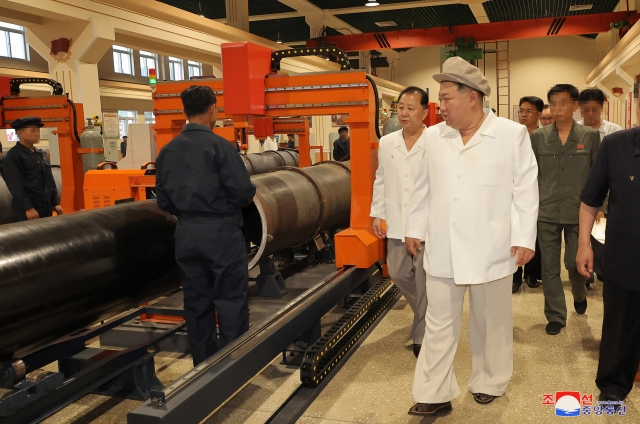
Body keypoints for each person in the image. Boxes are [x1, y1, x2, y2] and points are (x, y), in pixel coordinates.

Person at [405, 57, 538, 417]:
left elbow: (525, 189)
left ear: (472, 98)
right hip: (443, 248)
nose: (440, 106)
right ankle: (434, 391)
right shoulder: (434, 136)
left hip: (492, 246)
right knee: (438, 323)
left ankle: (489, 381)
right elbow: (423, 188)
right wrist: (414, 229)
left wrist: (525, 236)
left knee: (490, 321)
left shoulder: (510, 134)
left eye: (446, 99)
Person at [156, 85, 256, 366]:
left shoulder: (167, 150)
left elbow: (162, 198)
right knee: (230, 300)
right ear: (213, 109)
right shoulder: (220, 147)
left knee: (196, 301)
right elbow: (242, 193)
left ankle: (202, 367)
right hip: (221, 233)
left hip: (187, 233)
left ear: (184, 111)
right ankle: (233, 366)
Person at [576, 126, 640, 404]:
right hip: (625, 253)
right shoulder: (616, 145)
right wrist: (583, 245)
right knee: (620, 323)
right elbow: (590, 200)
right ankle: (614, 383)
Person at [530, 84, 601, 336]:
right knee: (548, 267)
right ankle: (556, 315)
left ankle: (579, 293)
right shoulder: (538, 138)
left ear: (574, 105)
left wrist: (600, 206)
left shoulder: (589, 136)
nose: (558, 108)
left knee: (573, 263)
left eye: (563, 103)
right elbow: (530, 176)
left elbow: (597, 175)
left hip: (578, 211)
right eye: (553, 103)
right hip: (546, 211)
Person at [370, 86, 429, 359]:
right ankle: (430, 316)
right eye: (400, 108)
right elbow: (381, 179)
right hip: (395, 222)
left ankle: (422, 334)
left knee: (424, 279)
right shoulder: (387, 142)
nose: (404, 113)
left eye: (410, 108)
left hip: (425, 226)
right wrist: (377, 212)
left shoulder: (435, 142)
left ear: (425, 112)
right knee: (399, 273)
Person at [578, 87, 621, 287]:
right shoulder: (575, 130)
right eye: (585, 110)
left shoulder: (615, 132)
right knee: (585, 234)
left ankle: (603, 270)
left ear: (602, 108)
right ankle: (587, 273)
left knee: (603, 235)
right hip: (584, 192)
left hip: (610, 193)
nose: (589, 114)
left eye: (594, 109)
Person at [2, 116, 63, 221]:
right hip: (26, 210)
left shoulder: (41, 154)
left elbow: (49, 180)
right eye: (33, 130)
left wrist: (55, 203)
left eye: (38, 130)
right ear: (20, 133)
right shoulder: (13, 156)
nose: (37, 133)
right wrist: (28, 208)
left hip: (45, 207)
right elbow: (15, 186)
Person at [513, 95, 544, 293]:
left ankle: (532, 274)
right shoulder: (513, 135)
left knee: (537, 234)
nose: (523, 115)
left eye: (528, 111)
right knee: (515, 232)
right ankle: (514, 275)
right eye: (521, 111)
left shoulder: (544, 137)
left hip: (539, 191)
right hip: (515, 191)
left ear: (539, 114)